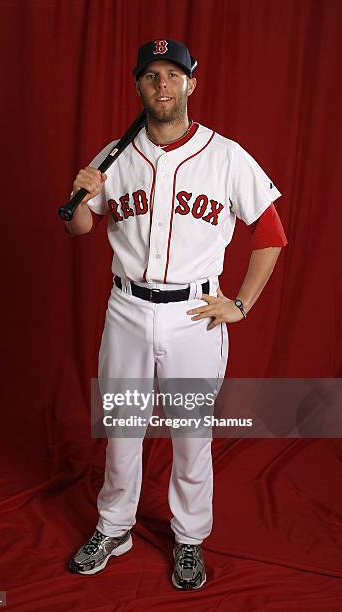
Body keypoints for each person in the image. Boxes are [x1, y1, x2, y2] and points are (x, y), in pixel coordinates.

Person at [64, 39, 287, 590]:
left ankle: (189, 539)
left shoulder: (226, 155)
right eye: (150, 76)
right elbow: (80, 226)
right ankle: (114, 527)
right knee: (122, 429)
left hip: (195, 315)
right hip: (127, 310)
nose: (161, 85)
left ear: (191, 83)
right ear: (138, 86)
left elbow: (271, 233)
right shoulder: (113, 155)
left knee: (191, 435)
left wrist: (240, 304)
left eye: (171, 74)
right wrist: (79, 195)